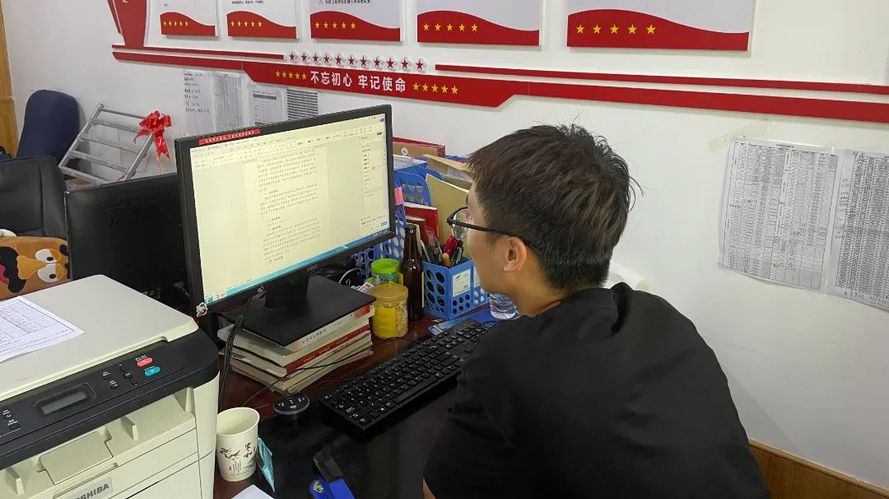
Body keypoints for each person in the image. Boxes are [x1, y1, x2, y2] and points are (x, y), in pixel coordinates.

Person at [423, 125, 769, 498]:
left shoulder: (508, 360)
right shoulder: (663, 319)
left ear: (511, 253)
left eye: (468, 219)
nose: (462, 234)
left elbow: (436, 493)